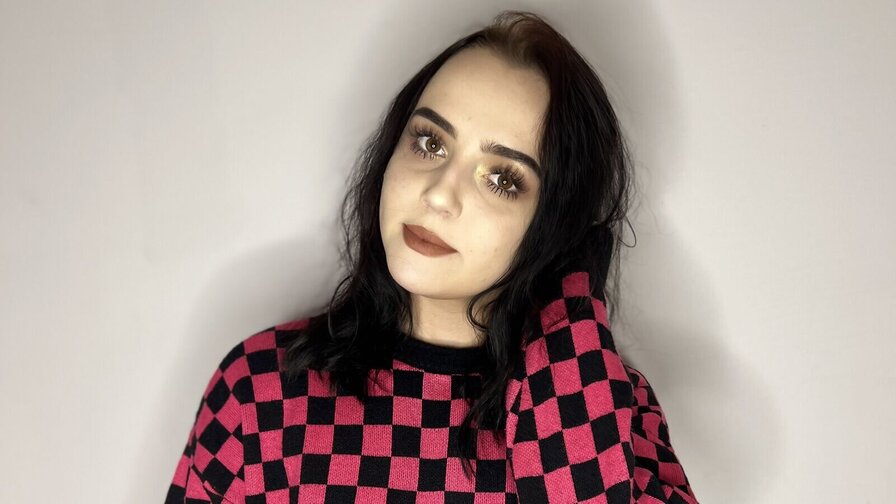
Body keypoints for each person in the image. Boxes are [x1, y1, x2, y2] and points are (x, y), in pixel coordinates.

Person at [165, 10, 698, 504]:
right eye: (429, 143)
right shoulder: (258, 393)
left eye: (502, 179)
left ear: (553, 223)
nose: (440, 194)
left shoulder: (613, 414)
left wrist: (571, 297)